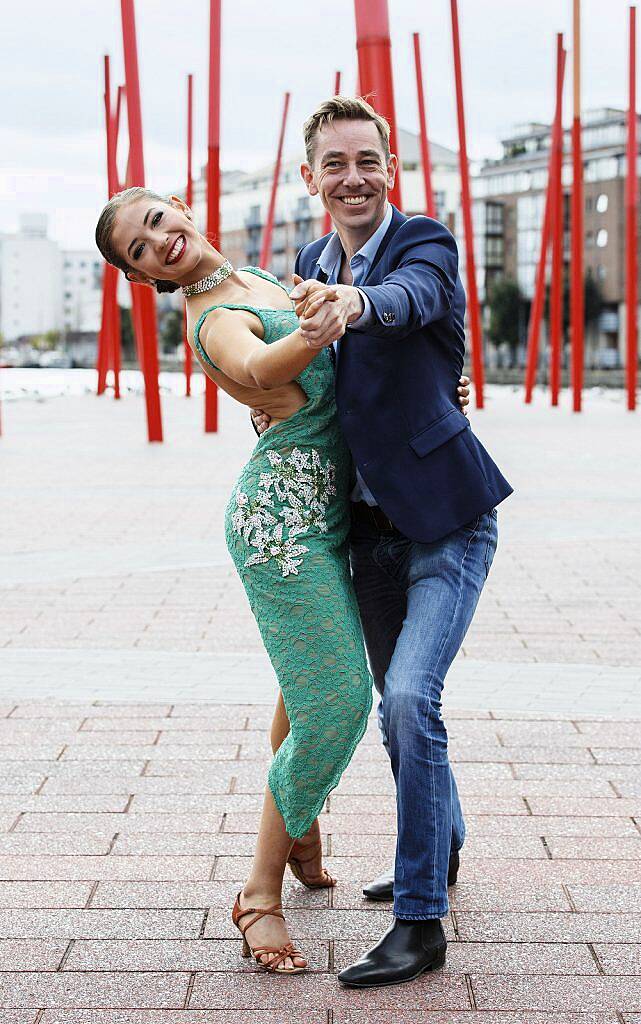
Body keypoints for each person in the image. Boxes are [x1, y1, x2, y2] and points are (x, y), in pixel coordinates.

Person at [94, 185, 470, 977]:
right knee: (333, 707)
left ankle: (298, 837)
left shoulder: (270, 275)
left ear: (183, 209)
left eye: (159, 218)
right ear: (141, 276)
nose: (159, 239)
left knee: (304, 687)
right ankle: (257, 895)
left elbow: (361, 366)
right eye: (139, 246)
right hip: (281, 529)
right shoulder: (215, 317)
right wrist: (314, 327)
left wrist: (439, 388)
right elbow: (258, 364)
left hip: (335, 514)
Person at [252, 96, 513, 989]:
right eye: (335, 163)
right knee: (405, 719)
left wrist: (355, 302)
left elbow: (411, 300)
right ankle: (439, 843)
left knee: (408, 701)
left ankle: (419, 921)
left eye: (367, 160)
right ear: (309, 177)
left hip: (446, 518)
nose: (352, 177)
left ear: (389, 168)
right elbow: (306, 380)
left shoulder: (424, 242)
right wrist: (269, 394)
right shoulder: (304, 261)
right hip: (365, 535)